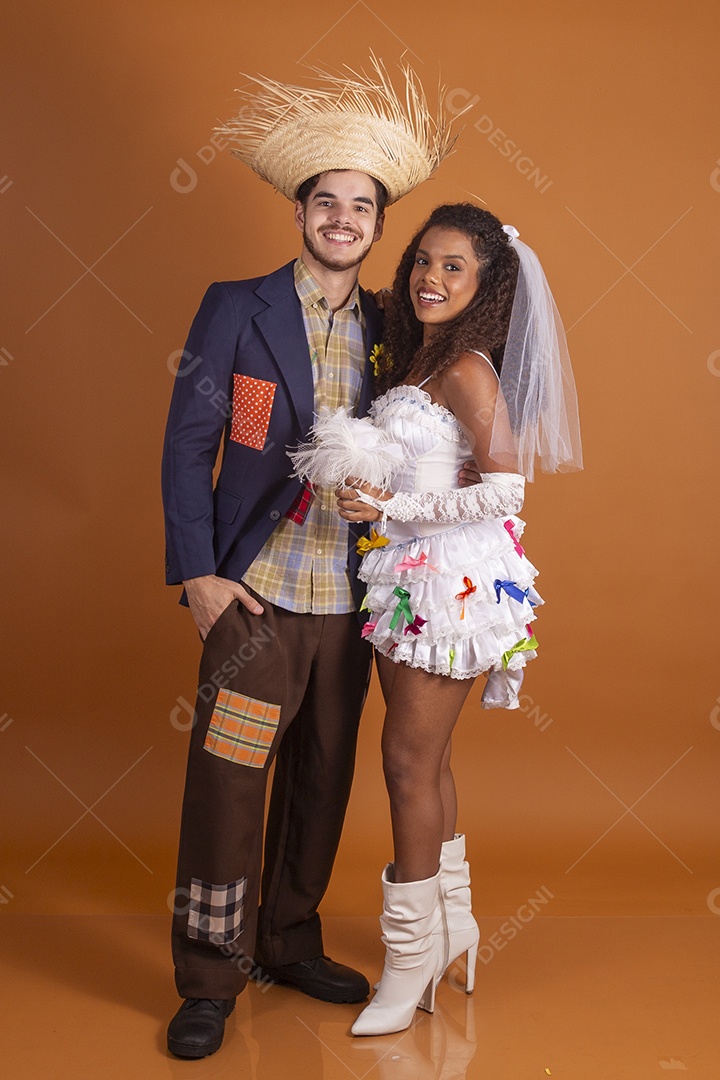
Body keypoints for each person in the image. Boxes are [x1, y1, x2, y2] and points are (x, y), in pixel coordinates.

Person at [160, 59, 460, 1060]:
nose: (343, 217)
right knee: (229, 782)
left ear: (379, 227)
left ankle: (286, 942)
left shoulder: (389, 329)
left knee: (324, 778)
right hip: (256, 601)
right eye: (325, 201)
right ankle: (209, 976)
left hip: (350, 602)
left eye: (361, 206)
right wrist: (199, 575)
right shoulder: (233, 308)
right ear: (300, 214)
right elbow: (185, 445)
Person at [294, 202, 582, 1037]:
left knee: (406, 762)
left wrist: (391, 502)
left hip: (448, 583)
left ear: (487, 283)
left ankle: (409, 952)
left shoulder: (468, 371)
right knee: (429, 761)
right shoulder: (425, 359)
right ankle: (452, 926)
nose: (430, 277)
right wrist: (368, 497)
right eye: (424, 260)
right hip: (407, 571)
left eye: (454, 266)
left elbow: (505, 490)